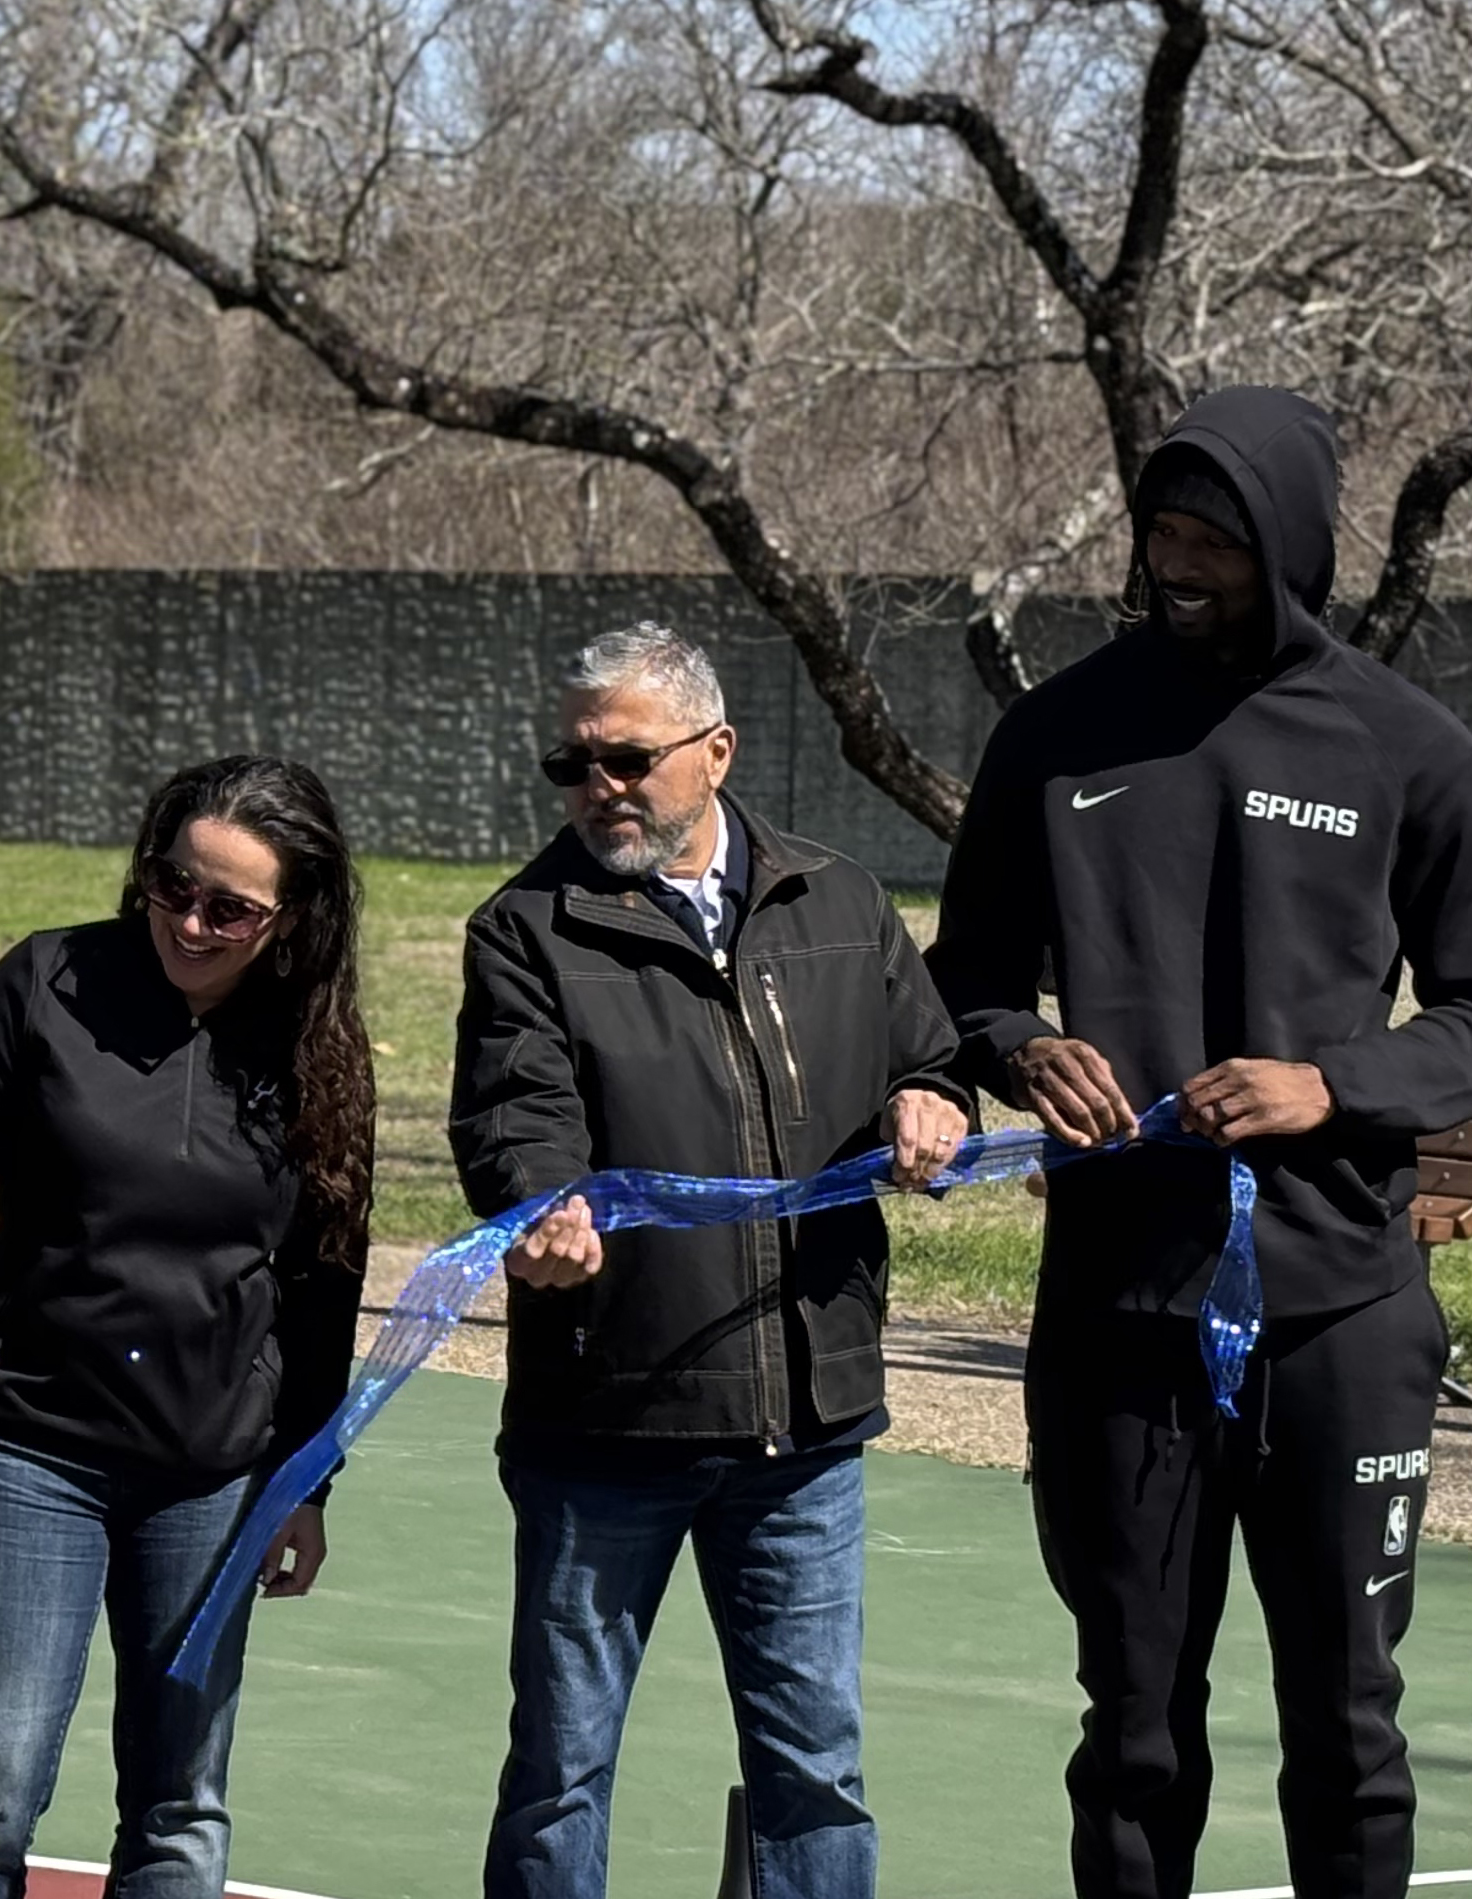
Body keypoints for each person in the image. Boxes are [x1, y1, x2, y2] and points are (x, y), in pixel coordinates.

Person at [928, 387, 1472, 1899]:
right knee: (1132, 1725)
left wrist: (1322, 1085)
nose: (1180, 563)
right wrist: (1019, 1045)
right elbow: (961, 980)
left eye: (1217, 537)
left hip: (1340, 1312)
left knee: (1343, 1726)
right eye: (1163, 532)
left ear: (1292, 544)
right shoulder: (1056, 730)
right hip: (1116, 1313)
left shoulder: (1402, 743)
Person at [447, 623, 969, 1899]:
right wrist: (544, 1205)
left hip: (805, 1425)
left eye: (624, 757)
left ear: (715, 751)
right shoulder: (525, 926)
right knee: (560, 1769)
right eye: (570, 765)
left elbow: (930, 1055)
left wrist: (933, 1104)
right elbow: (515, 1112)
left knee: (815, 1770)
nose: (596, 788)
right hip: (604, 1425)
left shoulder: (838, 900)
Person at [0, 754, 374, 1899]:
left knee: (179, 1801)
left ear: (293, 917)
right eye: (172, 886)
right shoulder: (47, 980)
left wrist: (309, 1482)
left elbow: (324, 1285)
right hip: (29, 1446)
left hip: (209, 1476)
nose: (190, 923)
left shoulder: (317, 1045)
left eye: (231, 909)